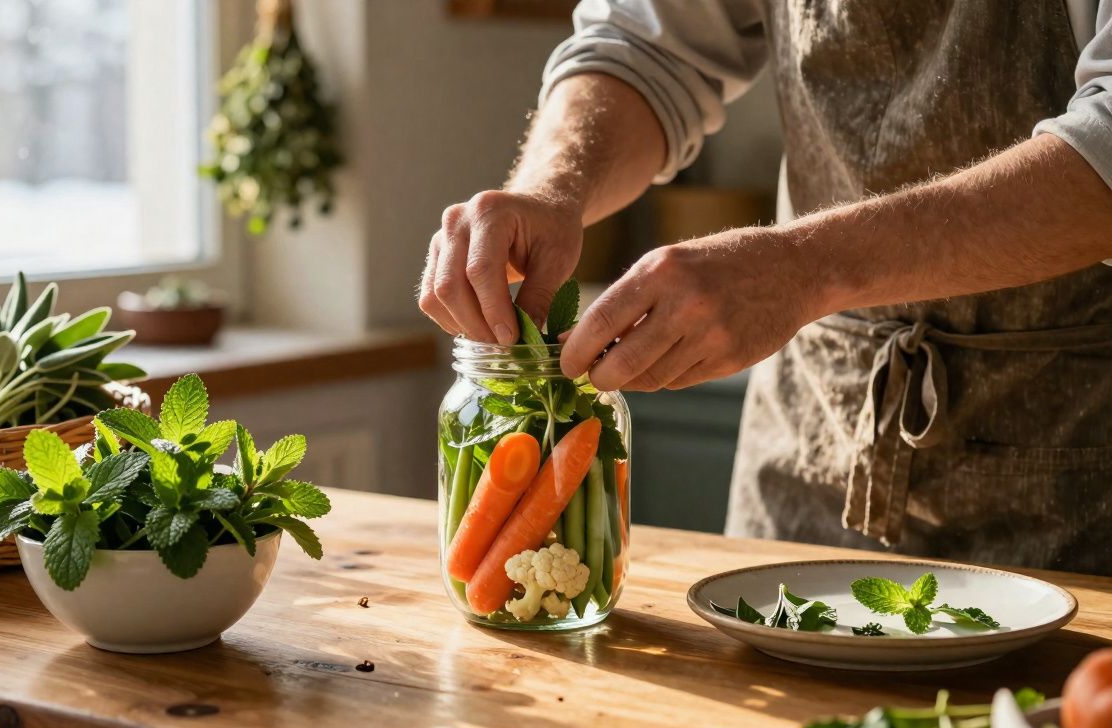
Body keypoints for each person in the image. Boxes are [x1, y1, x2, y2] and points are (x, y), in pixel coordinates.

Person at [417, 0, 1112, 575]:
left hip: (1077, 463)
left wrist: (803, 267)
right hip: (809, 442)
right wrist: (551, 189)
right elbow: (645, 43)